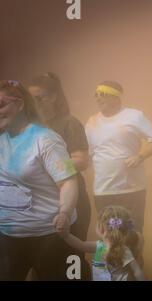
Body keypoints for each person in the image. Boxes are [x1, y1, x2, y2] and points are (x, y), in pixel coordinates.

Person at [0, 80, 78, 280]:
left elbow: (68, 180)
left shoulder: (46, 139)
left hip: (49, 236)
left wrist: (65, 213)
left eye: (1, 104)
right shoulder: (2, 139)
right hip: (9, 237)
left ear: (20, 104)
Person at [28, 72, 91, 280]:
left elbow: (81, 160)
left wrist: (48, 165)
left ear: (54, 97)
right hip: (41, 204)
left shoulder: (69, 122)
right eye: (31, 99)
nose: (35, 103)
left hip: (72, 201)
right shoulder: (30, 128)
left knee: (71, 259)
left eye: (40, 97)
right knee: (41, 261)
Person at [85, 81, 152, 233]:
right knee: (110, 235)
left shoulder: (134, 116)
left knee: (132, 234)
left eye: (103, 95)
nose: (98, 99)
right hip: (104, 191)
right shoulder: (91, 122)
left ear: (116, 98)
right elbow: (88, 154)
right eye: (96, 95)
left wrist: (140, 156)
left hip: (131, 190)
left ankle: (134, 257)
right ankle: (112, 258)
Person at [61, 205, 146, 281]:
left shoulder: (120, 249)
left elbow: (80, 245)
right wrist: (66, 235)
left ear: (101, 227)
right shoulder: (118, 249)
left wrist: (66, 235)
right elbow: (137, 272)